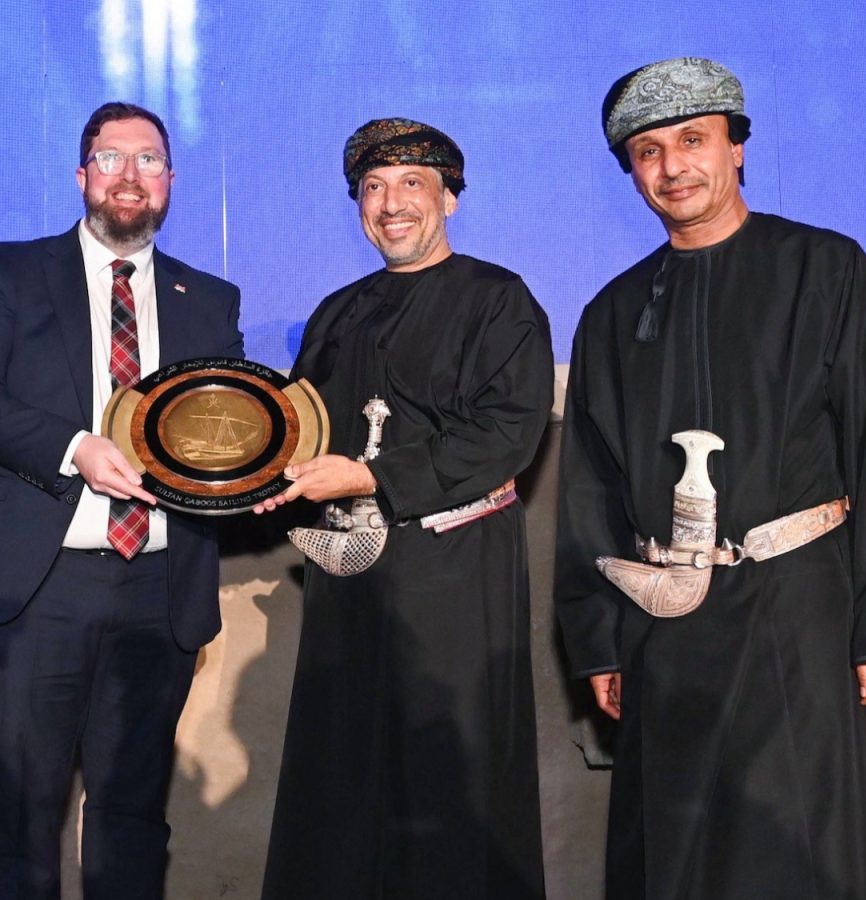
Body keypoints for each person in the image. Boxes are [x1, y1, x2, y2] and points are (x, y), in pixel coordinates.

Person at [555, 57, 866, 898]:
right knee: (682, 859)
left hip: (803, 617)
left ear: (737, 150)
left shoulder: (827, 271)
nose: (672, 166)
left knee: (811, 852)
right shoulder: (611, 314)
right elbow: (590, 493)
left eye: (693, 140)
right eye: (647, 151)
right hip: (664, 630)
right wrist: (597, 640)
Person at [0, 101, 242, 899]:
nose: (130, 177)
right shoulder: (15, 270)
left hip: (159, 588)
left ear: (170, 182)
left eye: (149, 162)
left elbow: (226, 436)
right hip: (41, 587)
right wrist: (76, 448)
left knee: (132, 820)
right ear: (82, 175)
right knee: (21, 817)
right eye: (111, 158)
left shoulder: (210, 298)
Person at [257, 118, 552, 899]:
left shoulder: (500, 301)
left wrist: (366, 477)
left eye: (412, 185)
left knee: (449, 786)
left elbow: (507, 436)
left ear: (449, 198)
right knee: (342, 787)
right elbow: (296, 427)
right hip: (350, 585)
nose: (390, 205)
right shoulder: (337, 312)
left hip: (454, 581)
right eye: (373, 188)